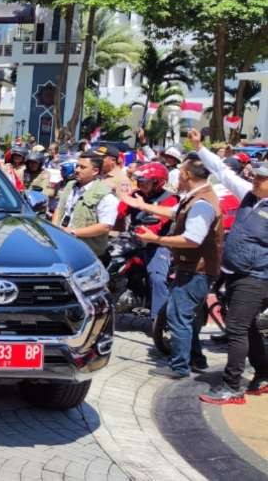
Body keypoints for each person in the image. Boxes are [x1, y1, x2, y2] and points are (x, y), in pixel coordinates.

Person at [188, 129, 268, 405]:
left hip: (256, 277)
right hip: (236, 273)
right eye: (256, 175)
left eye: (262, 178)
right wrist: (199, 147)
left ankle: (232, 387)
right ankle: (264, 373)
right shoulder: (248, 194)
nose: (255, 179)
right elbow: (222, 171)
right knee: (246, 327)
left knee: (235, 328)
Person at [122, 157, 220, 378]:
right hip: (191, 266)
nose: (177, 176)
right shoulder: (195, 198)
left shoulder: (202, 203)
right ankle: (196, 359)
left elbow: (192, 240)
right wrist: (140, 204)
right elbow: (174, 212)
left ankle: (179, 367)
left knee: (178, 317)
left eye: (181, 172)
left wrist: (156, 239)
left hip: (197, 269)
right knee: (187, 317)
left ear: (187, 175)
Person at [115, 162, 179, 321]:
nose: (140, 184)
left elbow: (159, 222)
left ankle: (159, 320)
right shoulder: (136, 195)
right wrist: (119, 210)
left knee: (157, 278)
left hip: (157, 244)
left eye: (145, 181)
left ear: (157, 182)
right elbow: (119, 214)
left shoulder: (170, 199)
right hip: (132, 241)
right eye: (140, 180)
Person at [52, 152, 118, 258]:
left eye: (82, 167)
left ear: (95, 171)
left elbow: (105, 226)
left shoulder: (105, 195)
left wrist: (73, 232)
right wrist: (54, 229)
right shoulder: (70, 185)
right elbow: (59, 208)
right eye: (77, 166)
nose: (77, 170)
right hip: (63, 245)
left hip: (87, 252)